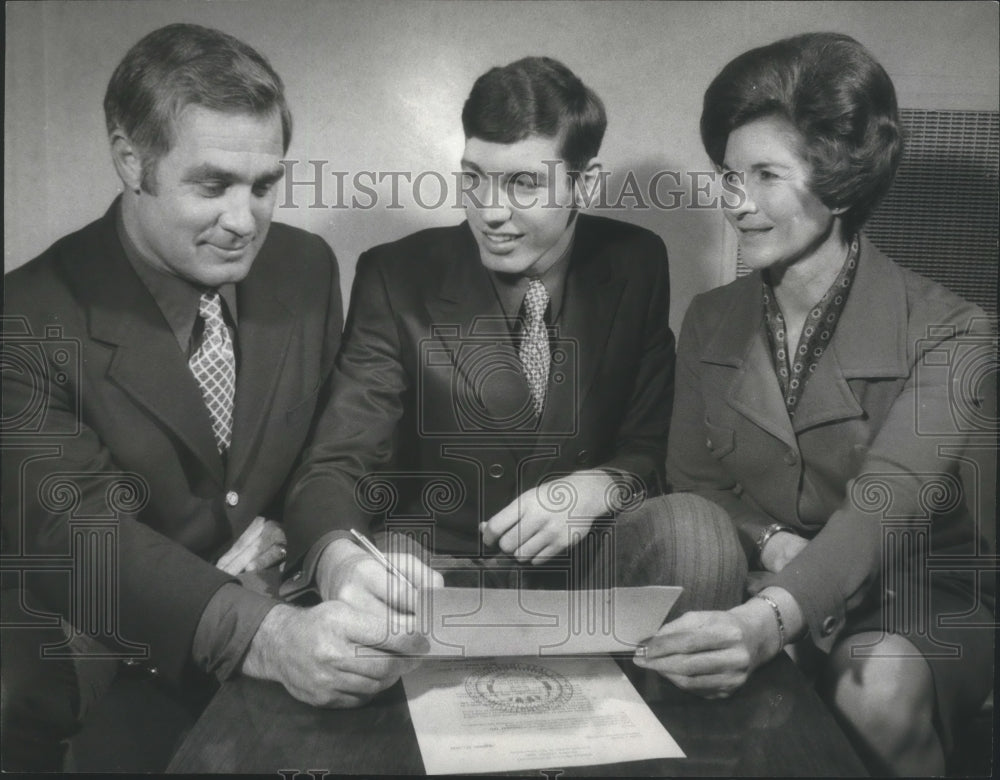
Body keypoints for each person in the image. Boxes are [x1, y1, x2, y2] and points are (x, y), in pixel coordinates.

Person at [1, 23, 434, 772]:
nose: (245, 221)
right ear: (131, 160)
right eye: (213, 185)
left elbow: (328, 455)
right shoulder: (28, 317)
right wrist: (260, 631)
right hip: (129, 650)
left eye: (264, 185)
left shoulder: (305, 267)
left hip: (300, 619)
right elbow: (82, 539)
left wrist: (337, 556)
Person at [633, 32, 996, 776]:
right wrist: (769, 544)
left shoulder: (954, 329)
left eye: (766, 175)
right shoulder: (709, 316)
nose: (737, 202)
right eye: (728, 176)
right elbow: (695, 483)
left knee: (879, 693)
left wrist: (773, 619)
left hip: (914, 591)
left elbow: (884, 504)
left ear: (838, 184)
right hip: (756, 578)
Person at [280, 56, 745, 611]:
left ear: (585, 184)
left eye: (524, 183)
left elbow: (651, 445)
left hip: (590, 564)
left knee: (697, 532)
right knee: (378, 584)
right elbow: (339, 461)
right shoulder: (396, 275)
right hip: (434, 564)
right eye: (474, 178)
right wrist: (342, 561)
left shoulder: (637, 261)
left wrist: (596, 487)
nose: (489, 212)